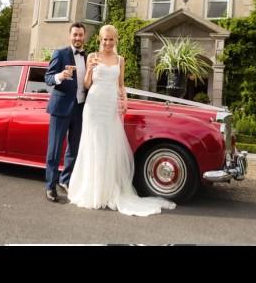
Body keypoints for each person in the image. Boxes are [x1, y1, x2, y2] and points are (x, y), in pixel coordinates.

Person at [68, 25, 176, 216]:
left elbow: (121, 85)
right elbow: (86, 84)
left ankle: (107, 189)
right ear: (99, 40)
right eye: (104, 39)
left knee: (108, 146)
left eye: (111, 39)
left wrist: (125, 101)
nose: (107, 43)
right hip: (94, 105)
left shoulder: (120, 60)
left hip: (110, 105)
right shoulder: (92, 56)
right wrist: (89, 71)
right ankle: (93, 190)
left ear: (115, 40)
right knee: (93, 144)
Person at [43, 22, 88, 202]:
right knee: (54, 149)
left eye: (80, 35)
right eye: (75, 35)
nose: (77, 38)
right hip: (61, 107)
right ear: (70, 36)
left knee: (74, 149)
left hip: (81, 107)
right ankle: (50, 186)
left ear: (84, 36)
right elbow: (48, 78)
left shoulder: (89, 57)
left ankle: (66, 180)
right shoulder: (60, 53)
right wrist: (60, 76)